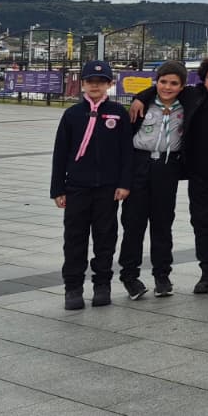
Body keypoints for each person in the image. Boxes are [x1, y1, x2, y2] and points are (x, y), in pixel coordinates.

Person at [129, 55, 208, 296]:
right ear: (203, 80)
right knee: (201, 222)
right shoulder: (194, 96)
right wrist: (140, 97)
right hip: (198, 174)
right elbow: (164, 89)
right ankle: (206, 272)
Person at [50, 61, 133, 310]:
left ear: (109, 84)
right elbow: (60, 153)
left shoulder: (118, 112)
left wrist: (124, 183)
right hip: (77, 187)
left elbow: (126, 153)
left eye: (101, 82)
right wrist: (58, 188)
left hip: (108, 188)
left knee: (105, 238)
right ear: (83, 84)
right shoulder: (72, 114)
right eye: (90, 81)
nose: (95, 86)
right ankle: (73, 288)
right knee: (75, 238)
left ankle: (102, 285)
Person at [119, 61, 188, 300]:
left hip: (167, 168)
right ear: (156, 83)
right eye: (163, 82)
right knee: (133, 224)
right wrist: (142, 95)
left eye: (174, 83)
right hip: (140, 164)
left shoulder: (187, 105)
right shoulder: (142, 105)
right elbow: (125, 140)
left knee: (162, 224)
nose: (167, 87)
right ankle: (130, 276)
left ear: (182, 87)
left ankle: (162, 276)